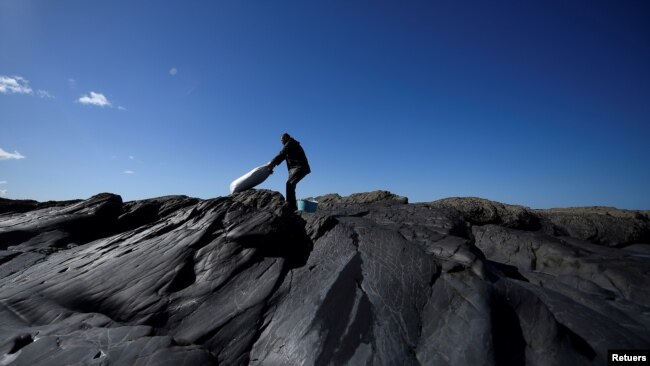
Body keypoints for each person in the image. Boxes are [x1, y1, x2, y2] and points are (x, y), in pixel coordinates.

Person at [267, 133, 311, 211]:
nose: (281, 142)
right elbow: (282, 157)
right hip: (294, 169)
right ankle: (292, 206)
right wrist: (272, 166)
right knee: (291, 186)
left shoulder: (290, 143)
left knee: (289, 184)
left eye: (282, 140)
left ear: (286, 138)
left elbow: (282, 154)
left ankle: (291, 207)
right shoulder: (290, 145)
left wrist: (272, 163)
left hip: (300, 167)